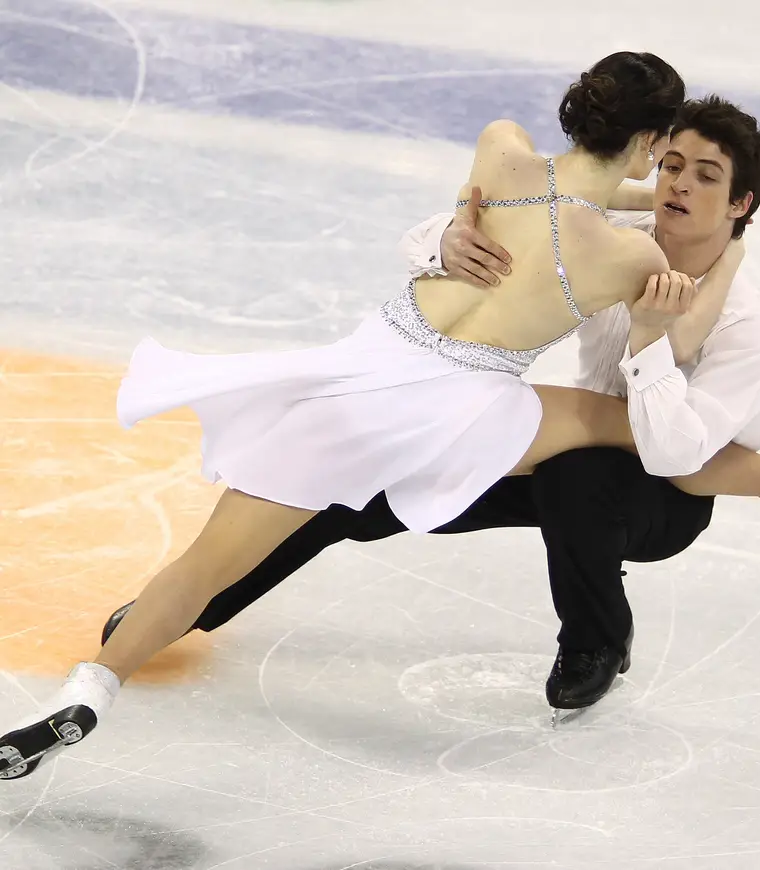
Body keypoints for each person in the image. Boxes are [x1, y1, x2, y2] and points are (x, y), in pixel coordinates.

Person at [1, 49, 705, 781]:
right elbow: (635, 229)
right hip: (460, 409)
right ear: (650, 142)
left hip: (360, 376)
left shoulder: (502, 149)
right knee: (624, 427)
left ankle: (91, 688)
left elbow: (566, 189)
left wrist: (454, 233)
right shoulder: (632, 257)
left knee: (201, 567)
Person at [100, 96, 760, 729]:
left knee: (580, 478)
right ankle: (194, 601)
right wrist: (446, 240)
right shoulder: (617, 245)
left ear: (742, 204)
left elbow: (677, 455)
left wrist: (651, 338)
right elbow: (499, 218)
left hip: (665, 490)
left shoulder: (747, 325)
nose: (679, 184)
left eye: (706, 175)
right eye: (671, 165)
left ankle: (598, 641)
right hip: (581, 436)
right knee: (359, 479)